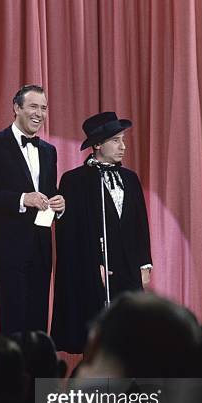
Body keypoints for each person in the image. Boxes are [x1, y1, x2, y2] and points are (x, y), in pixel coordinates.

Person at [51, 112, 152, 354]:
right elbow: (69, 233)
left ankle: (129, 387)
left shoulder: (130, 178)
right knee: (98, 334)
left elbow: (140, 223)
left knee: (129, 331)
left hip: (128, 267)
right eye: (116, 140)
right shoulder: (75, 180)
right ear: (97, 145)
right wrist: (91, 265)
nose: (123, 146)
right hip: (97, 270)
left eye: (123, 140)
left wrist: (144, 263)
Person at [0, 85, 65, 335]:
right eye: (33, 106)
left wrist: (59, 204)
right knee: (13, 326)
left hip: (41, 250)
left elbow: (49, 190)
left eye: (43, 108)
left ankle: (36, 374)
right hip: (7, 251)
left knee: (38, 327)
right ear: (16, 108)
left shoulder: (48, 151)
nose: (40, 113)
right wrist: (24, 199)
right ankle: (13, 375)